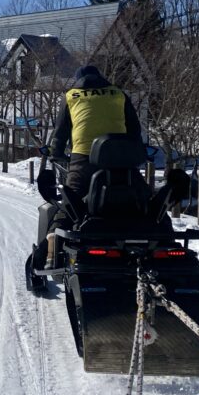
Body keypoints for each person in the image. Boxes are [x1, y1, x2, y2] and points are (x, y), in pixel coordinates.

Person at [40, 64, 142, 268]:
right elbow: (135, 129)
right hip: (121, 157)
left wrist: (55, 154)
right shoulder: (118, 94)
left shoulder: (72, 96)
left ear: (78, 80)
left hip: (84, 158)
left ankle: (52, 247)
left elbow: (60, 132)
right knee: (136, 196)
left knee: (71, 202)